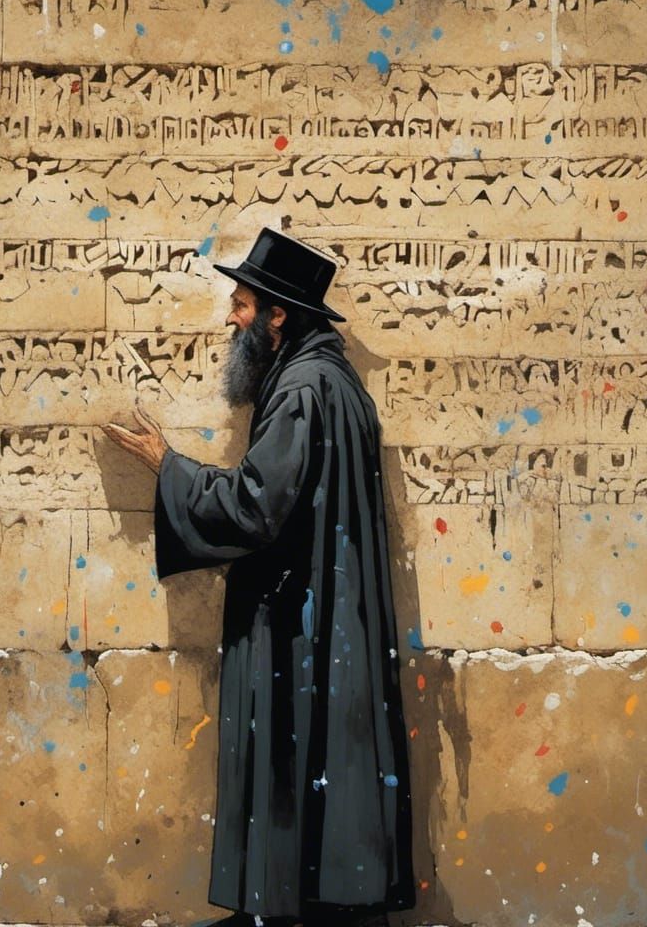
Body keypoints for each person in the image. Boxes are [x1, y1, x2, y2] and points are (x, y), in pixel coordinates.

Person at [106, 229, 415, 927]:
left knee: (291, 750)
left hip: (298, 619)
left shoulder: (303, 389)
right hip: (327, 611)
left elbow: (254, 505)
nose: (231, 318)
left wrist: (166, 465)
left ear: (278, 315)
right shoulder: (333, 382)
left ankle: (287, 911)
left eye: (242, 305)